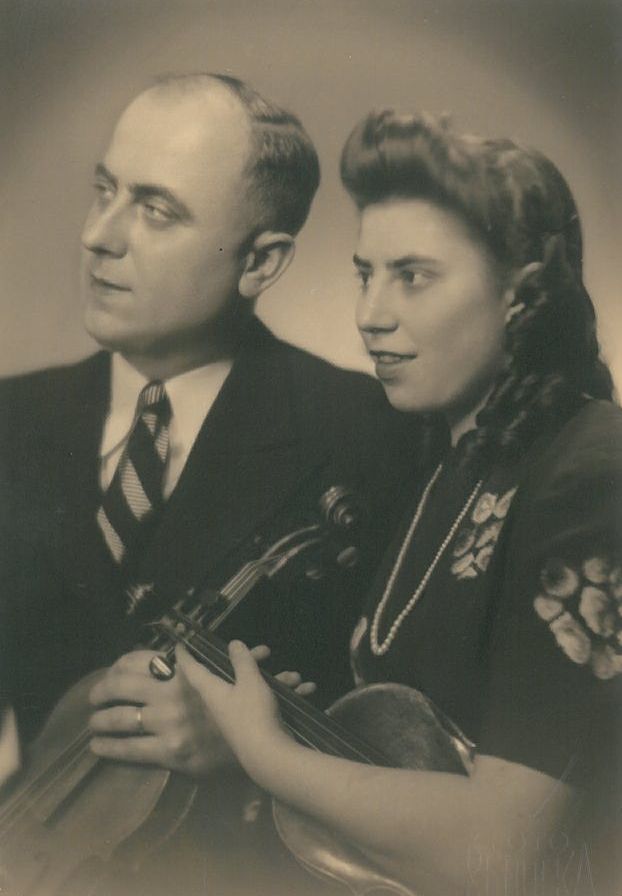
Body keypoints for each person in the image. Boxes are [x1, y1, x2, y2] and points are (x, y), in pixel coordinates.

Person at [177, 111, 622, 896]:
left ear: (521, 295)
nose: (370, 314)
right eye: (364, 274)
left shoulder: (591, 471)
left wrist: (267, 754)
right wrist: (252, 732)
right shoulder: (442, 458)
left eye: (413, 276)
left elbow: (501, 851)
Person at [0, 79, 419, 894]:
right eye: (104, 191)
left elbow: (420, 737)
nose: (98, 236)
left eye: (157, 210)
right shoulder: (10, 420)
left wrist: (260, 744)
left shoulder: (374, 434)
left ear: (261, 262)